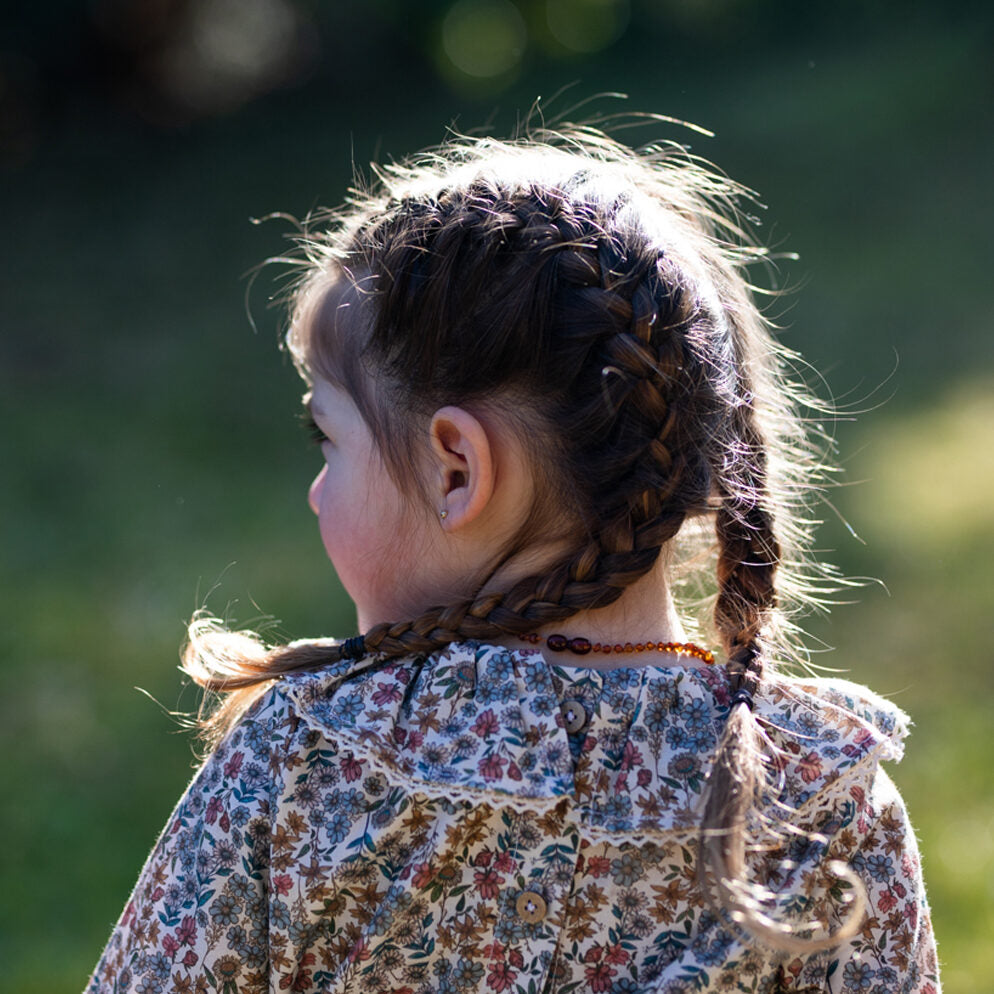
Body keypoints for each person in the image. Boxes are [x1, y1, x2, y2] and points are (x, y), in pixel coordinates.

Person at [87, 125, 940, 994]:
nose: (314, 491)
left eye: (327, 439)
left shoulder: (306, 766)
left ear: (457, 469)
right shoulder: (820, 807)